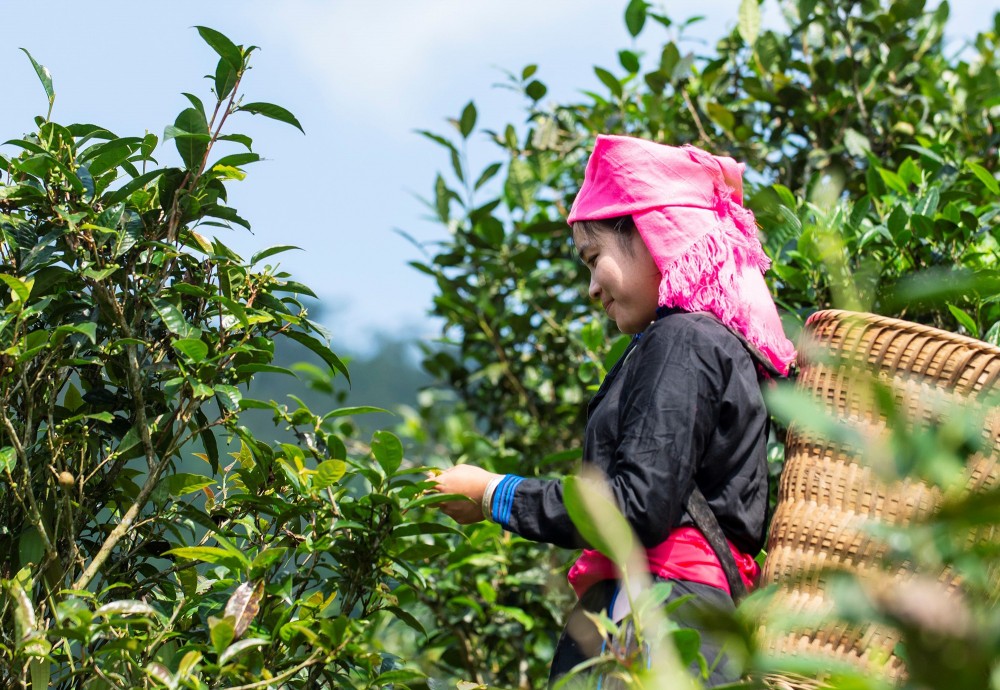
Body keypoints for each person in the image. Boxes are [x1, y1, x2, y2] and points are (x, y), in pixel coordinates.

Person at [431, 134, 796, 687]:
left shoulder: (682, 340)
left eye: (594, 258)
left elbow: (636, 505)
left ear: (650, 237)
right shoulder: (707, 344)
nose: (591, 286)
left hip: (660, 621)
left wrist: (493, 495)